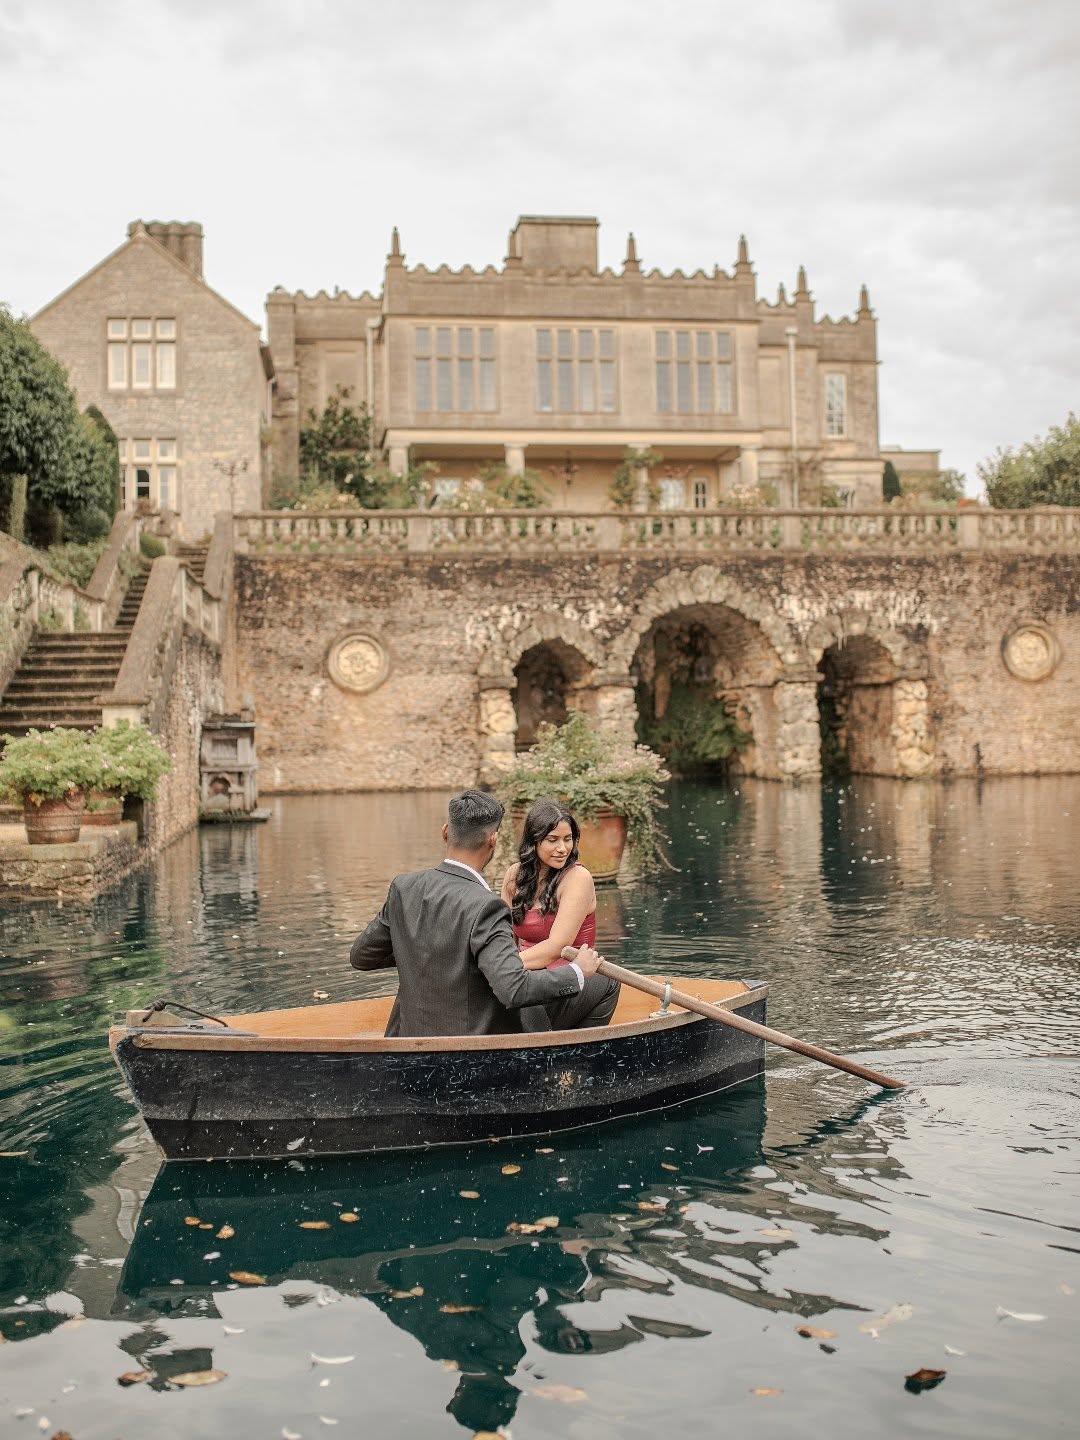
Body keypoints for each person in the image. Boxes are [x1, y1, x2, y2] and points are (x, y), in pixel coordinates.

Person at [350, 790, 620, 1037]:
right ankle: (566, 1059)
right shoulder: (488, 905)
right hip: (483, 1023)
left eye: (567, 839)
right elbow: (513, 987)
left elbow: (361, 956)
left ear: (445, 832)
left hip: (409, 1033)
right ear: (493, 840)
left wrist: (439, 956)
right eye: (552, 840)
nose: (562, 848)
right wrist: (577, 972)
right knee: (607, 983)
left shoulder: (403, 887)